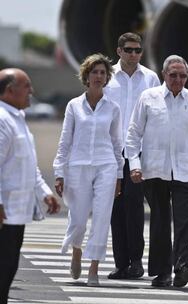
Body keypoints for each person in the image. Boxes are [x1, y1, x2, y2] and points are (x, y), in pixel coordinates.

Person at [126, 55, 188, 288]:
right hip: (155, 169)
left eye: (182, 76)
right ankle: (162, 271)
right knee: (160, 222)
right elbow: (133, 134)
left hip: (184, 170)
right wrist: (134, 165)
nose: (178, 79)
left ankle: (183, 267)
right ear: (164, 75)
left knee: (184, 221)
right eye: (173, 75)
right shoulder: (148, 97)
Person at [53, 54, 124, 286]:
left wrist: (119, 175)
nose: (99, 76)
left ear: (107, 78)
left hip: (106, 166)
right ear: (87, 75)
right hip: (78, 166)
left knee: (102, 217)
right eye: (95, 72)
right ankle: (76, 249)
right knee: (79, 218)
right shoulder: (74, 105)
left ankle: (94, 267)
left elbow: (116, 143)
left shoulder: (113, 108)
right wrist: (59, 171)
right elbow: (65, 140)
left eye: (103, 73)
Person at [0, 68, 60, 304]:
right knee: (3, 269)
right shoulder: (3, 120)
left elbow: (28, 165)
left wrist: (44, 192)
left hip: (17, 212)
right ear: (10, 90)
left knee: (8, 269)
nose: (32, 92)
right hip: (5, 212)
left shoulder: (17, 119)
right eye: (27, 86)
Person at [105, 32, 160, 280]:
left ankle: (136, 261)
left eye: (138, 50)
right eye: (128, 50)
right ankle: (121, 263)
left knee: (134, 205)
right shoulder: (106, 77)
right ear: (119, 51)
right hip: (111, 152)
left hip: (137, 153)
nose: (134, 54)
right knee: (115, 209)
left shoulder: (150, 78)